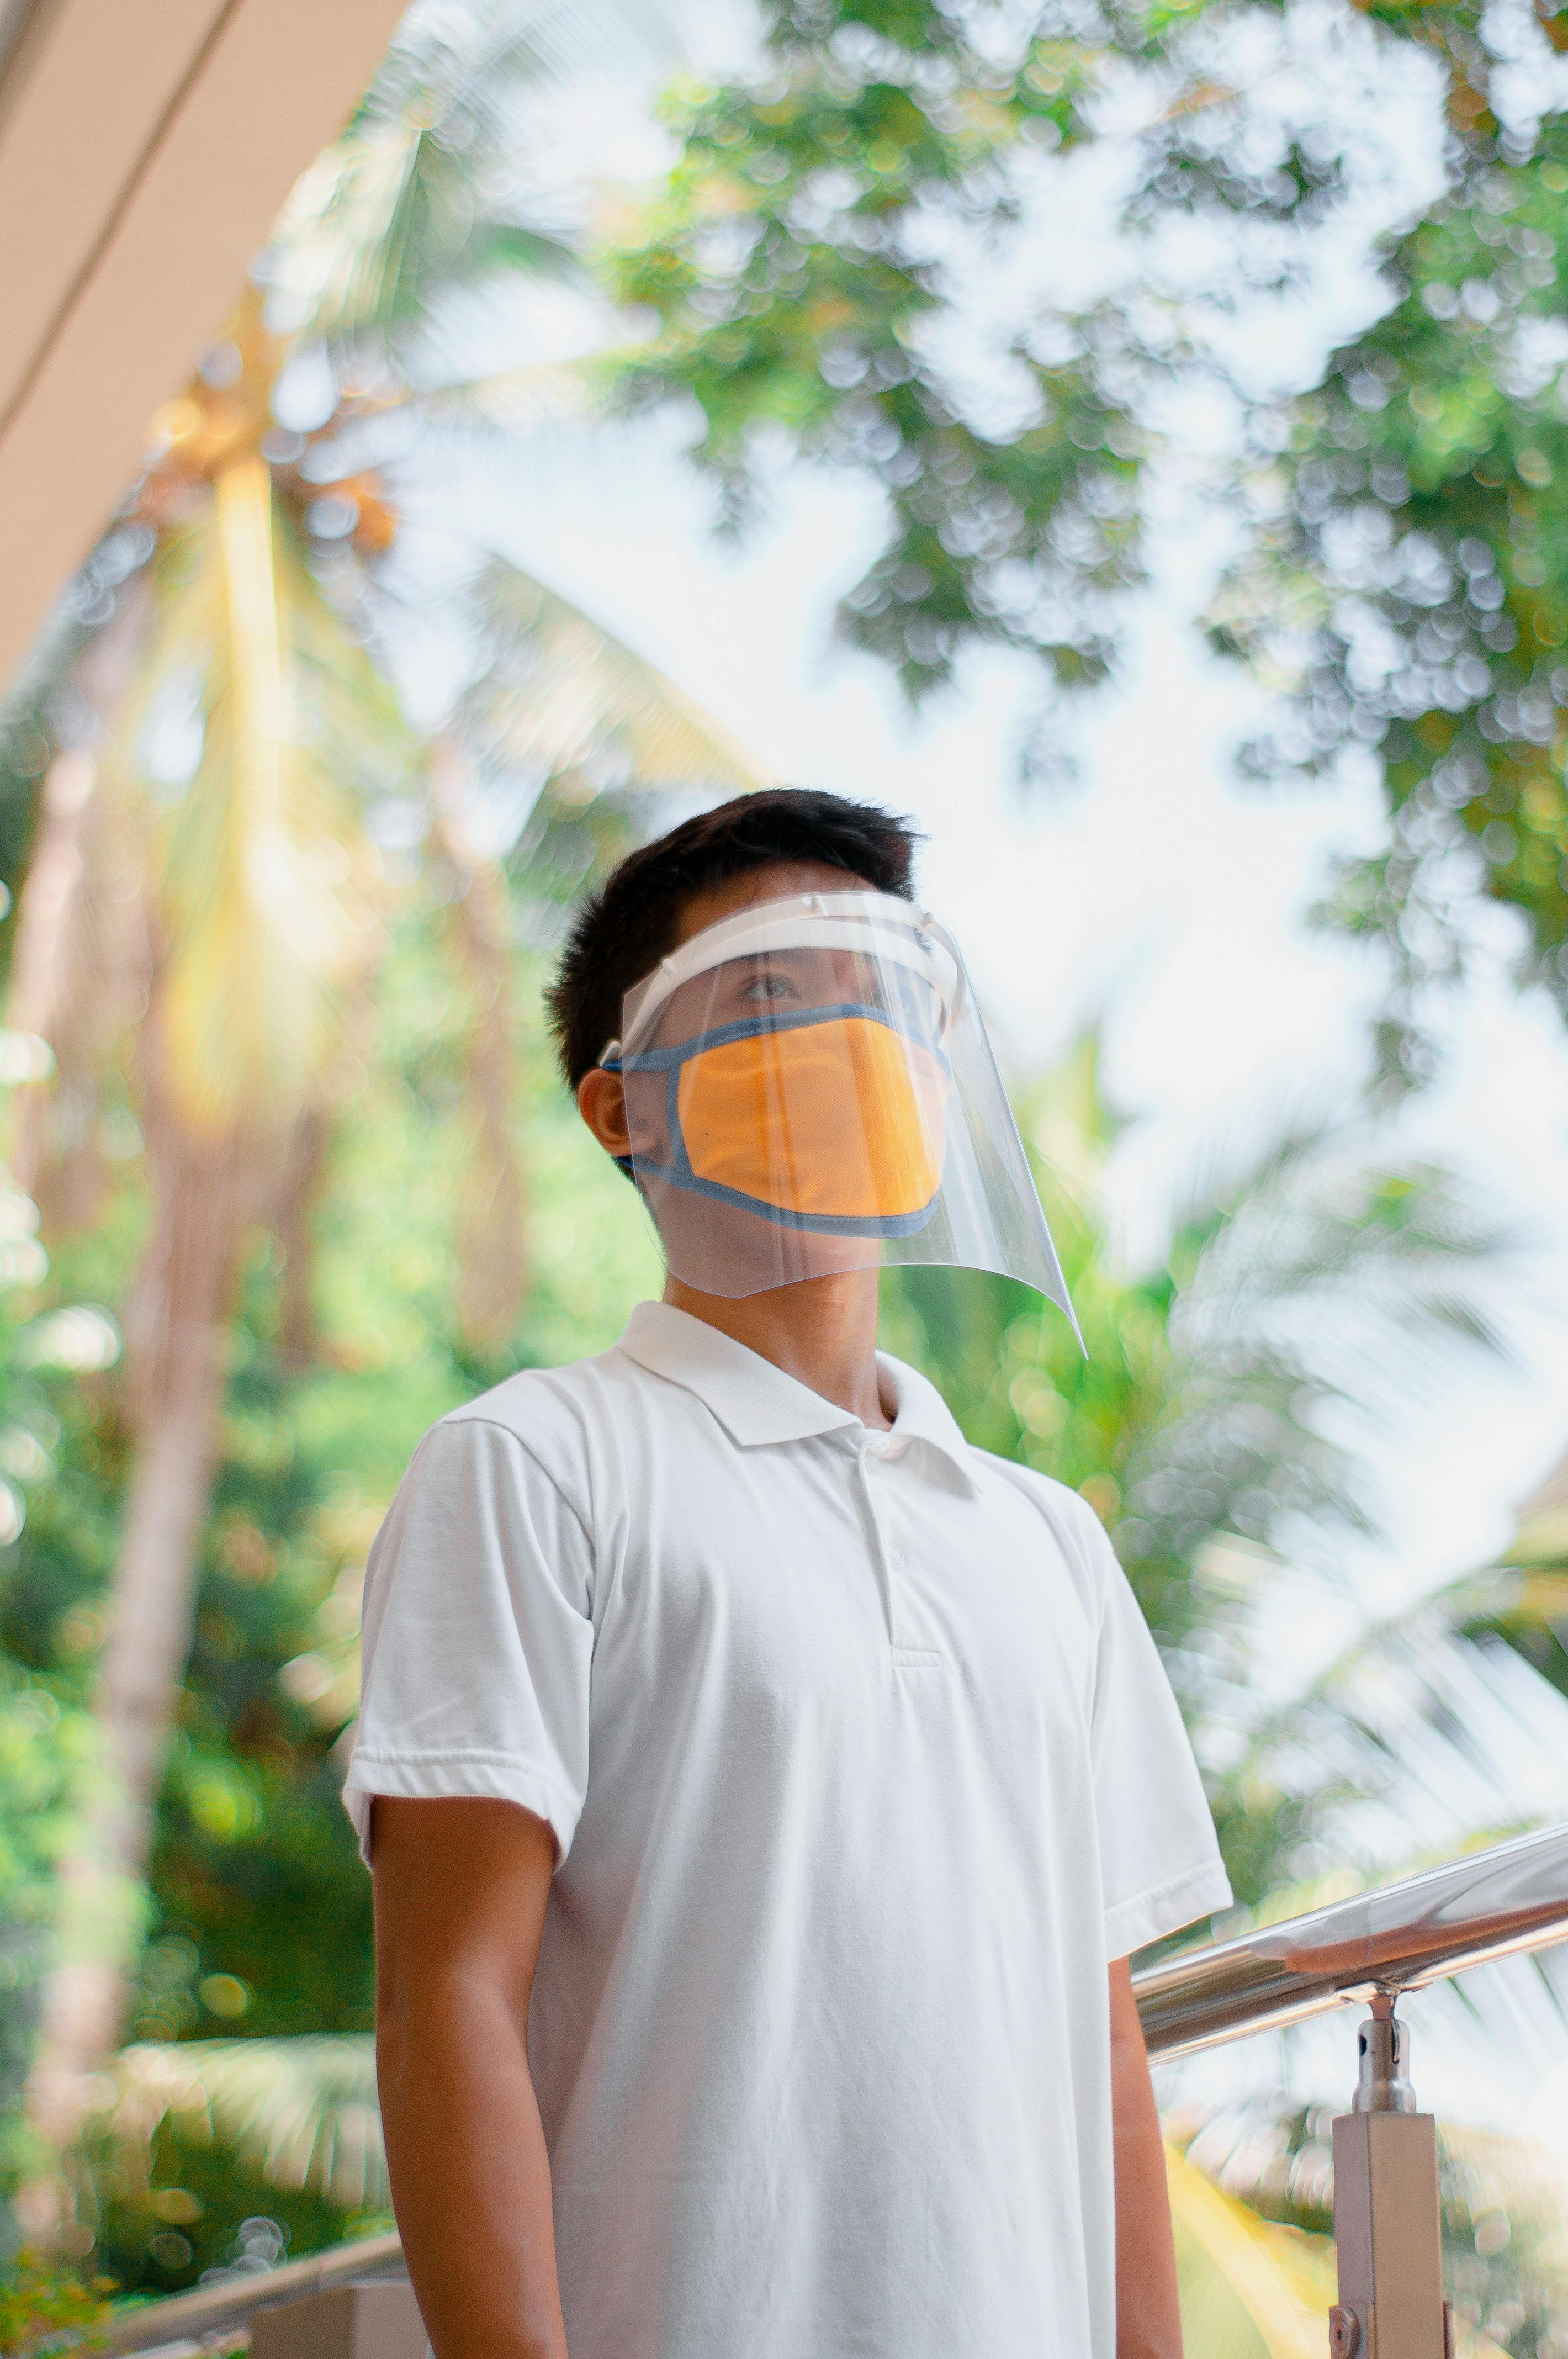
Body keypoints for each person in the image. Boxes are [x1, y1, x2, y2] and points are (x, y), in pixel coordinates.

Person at [346, 789, 1232, 2359]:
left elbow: (1096, 2043)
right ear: (622, 1106)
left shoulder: (1047, 1542)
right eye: (766, 996)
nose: (839, 1038)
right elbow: (446, 2004)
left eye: (879, 998)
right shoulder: (535, 1465)